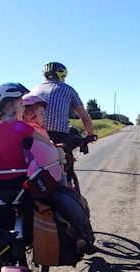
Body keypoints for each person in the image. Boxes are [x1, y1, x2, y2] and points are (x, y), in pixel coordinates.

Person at [22, 94, 97, 254]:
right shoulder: (35, 131)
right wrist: (60, 153)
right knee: (67, 197)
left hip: (24, 178)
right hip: (44, 178)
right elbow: (46, 155)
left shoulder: (21, 129)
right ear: (29, 115)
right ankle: (81, 236)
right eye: (42, 114)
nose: (44, 118)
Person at [0, 82, 55, 229]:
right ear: (10, 106)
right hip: (21, 183)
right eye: (21, 103)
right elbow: (47, 143)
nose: (23, 107)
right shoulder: (21, 127)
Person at [30, 62, 98, 187]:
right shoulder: (68, 89)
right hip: (58, 137)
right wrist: (90, 134)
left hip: (33, 136)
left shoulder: (34, 89)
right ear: (62, 75)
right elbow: (84, 117)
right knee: (67, 173)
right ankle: (70, 191)